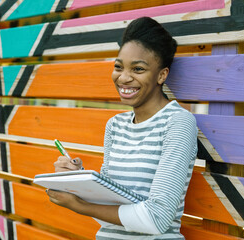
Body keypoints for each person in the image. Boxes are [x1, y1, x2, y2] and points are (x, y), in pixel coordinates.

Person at [47, 16, 198, 239]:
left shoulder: (177, 122)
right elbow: (109, 211)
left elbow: (157, 218)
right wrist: (77, 179)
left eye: (138, 69)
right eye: (119, 67)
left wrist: (80, 206)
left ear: (161, 75)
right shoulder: (115, 126)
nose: (124, 78)